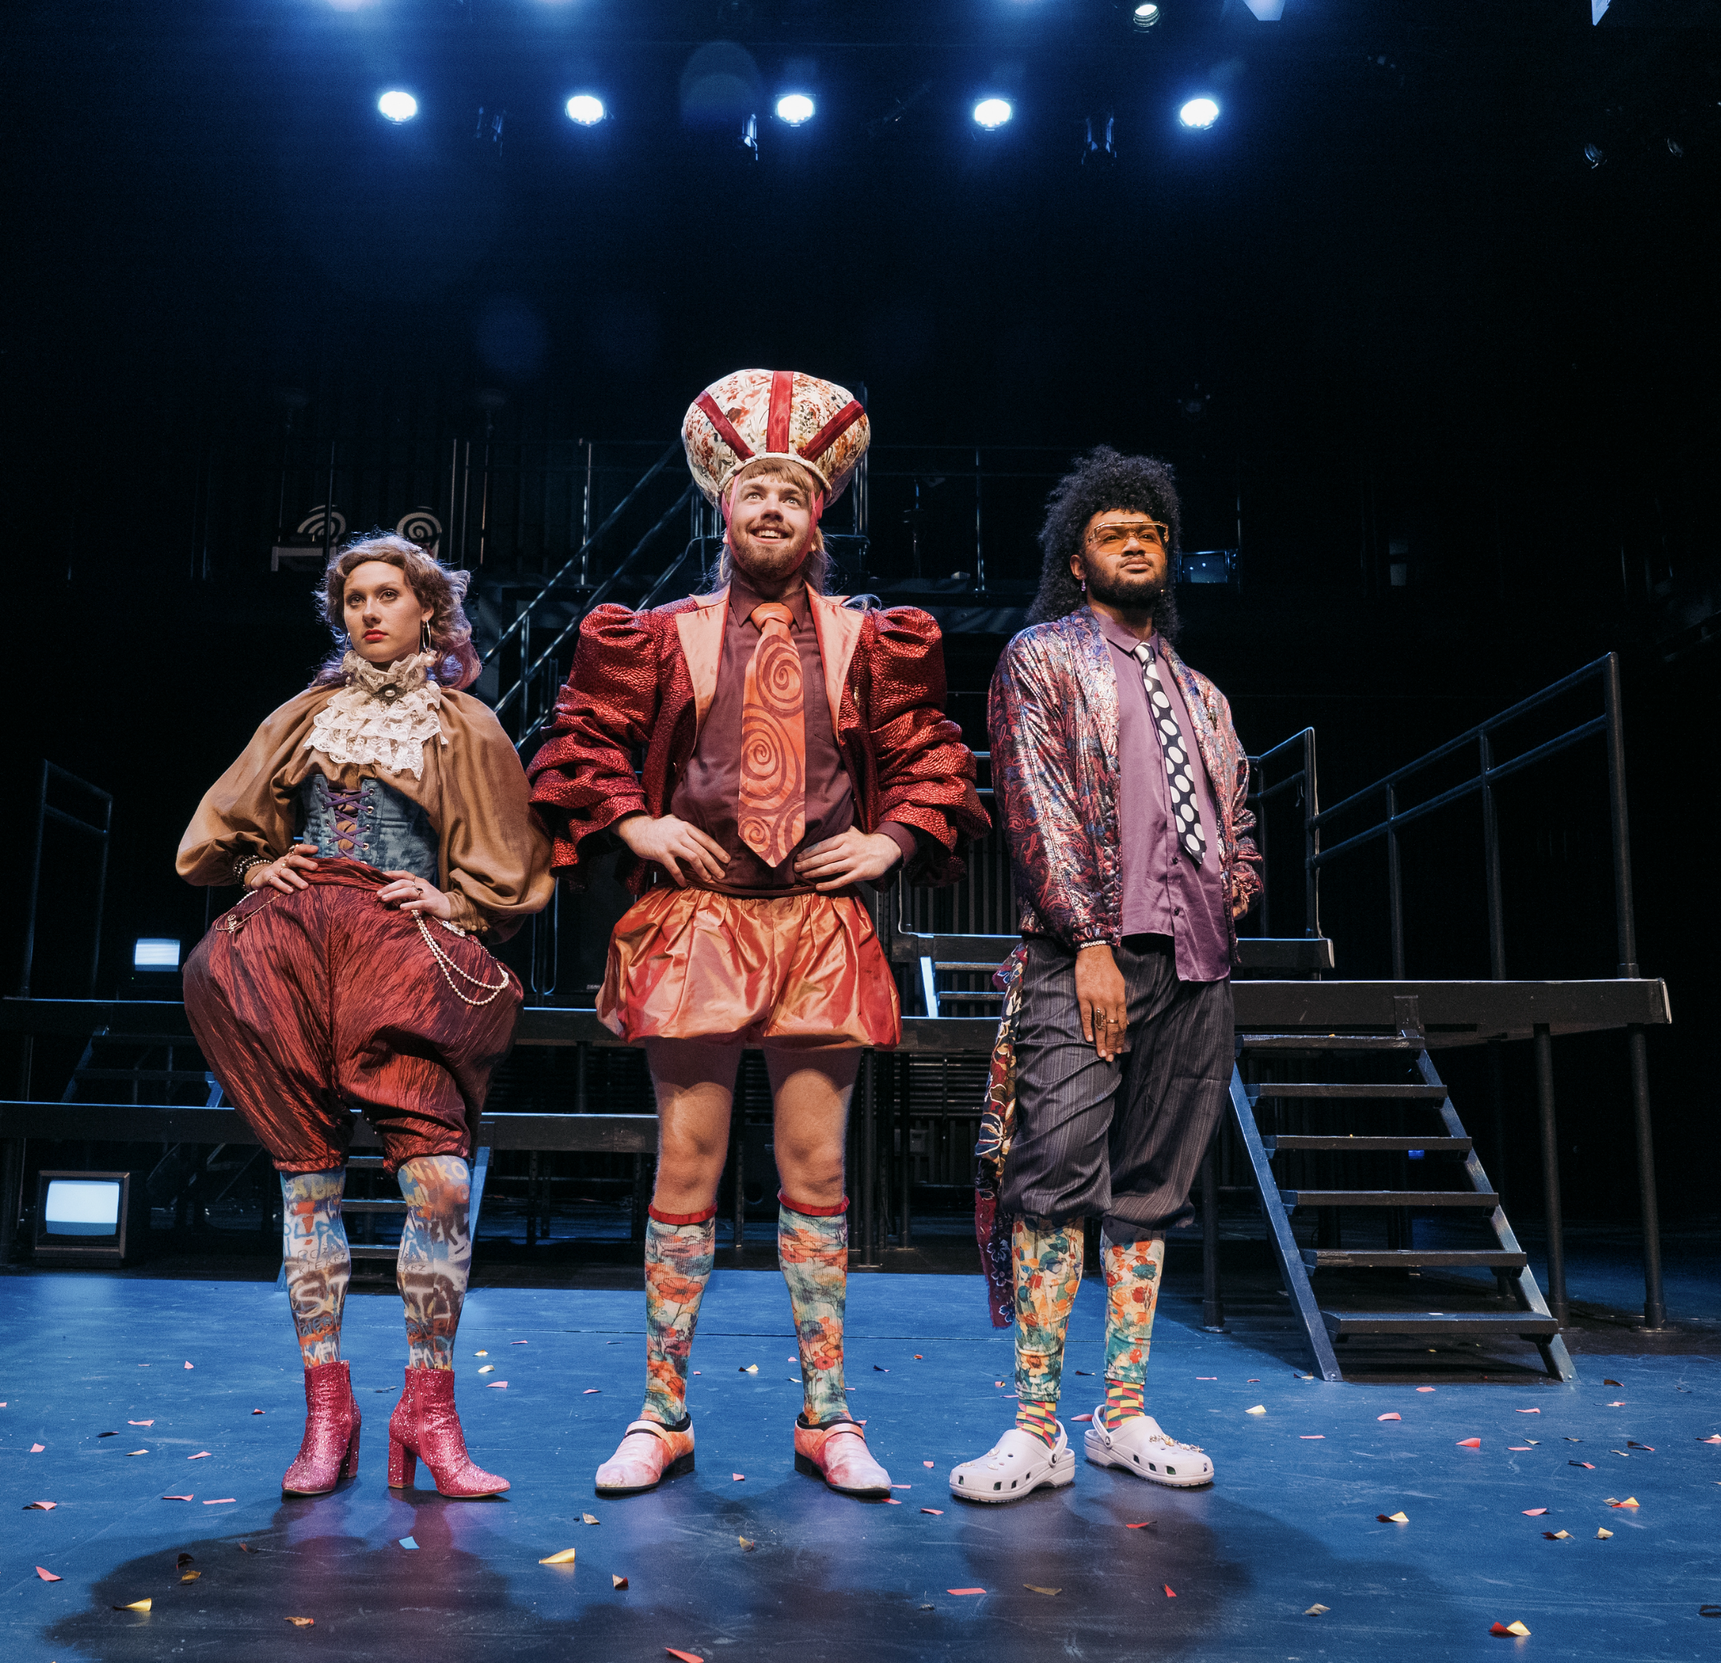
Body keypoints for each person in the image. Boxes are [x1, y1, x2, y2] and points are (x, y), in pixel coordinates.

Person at [530, 369, 988, 1500]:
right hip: (700, 916)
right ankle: (663, 1412)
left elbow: (931, 752)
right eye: (753, 492)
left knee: (816, 1166)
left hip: (819, 924)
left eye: (792, 492)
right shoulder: (664, 634)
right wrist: (636, 819)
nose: (773, 509)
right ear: (720, 511)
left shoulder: (864, 637)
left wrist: (888, 842)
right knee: (686, 1160)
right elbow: (581, 737)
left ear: (817, 513)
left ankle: (826, 1415)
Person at [178, 532, 553, 1501]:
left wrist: (455, 902)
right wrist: (259, 865)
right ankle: (326, 1413)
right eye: (355, 599)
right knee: (309, 1188)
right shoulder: (307, 716)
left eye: (390, 594)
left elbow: (511, 860)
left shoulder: (460, 721)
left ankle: (425, 1410)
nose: (372, 612)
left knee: (438, 1183)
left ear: (429, 610)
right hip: (294, 957)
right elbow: (214, 833)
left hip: (398, 958)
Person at [950, 447, 1261, 1505]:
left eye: (1152, 532)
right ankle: (1037, 1423)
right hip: (1086, 952)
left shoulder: (1205, 694)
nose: (1136, 543)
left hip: (1198, 960)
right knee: (1053, 1177)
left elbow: (1240, 810)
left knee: (1151, 1189)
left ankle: (1119, 1414)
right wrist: (1083, 937)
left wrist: (1240, 881)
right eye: (1112, 532)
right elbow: (1032, 802)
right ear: (1077, 560)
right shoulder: (1042, 658)